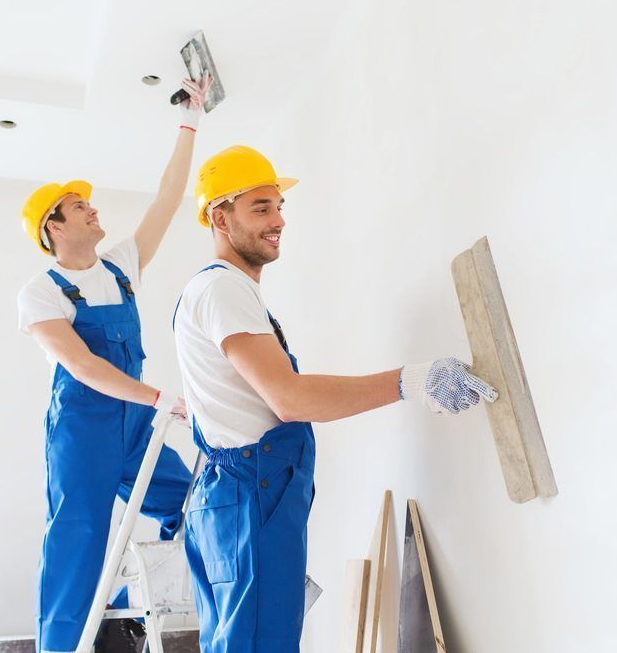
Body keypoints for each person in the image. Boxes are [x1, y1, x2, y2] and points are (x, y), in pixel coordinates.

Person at [172, 145, 498, 651]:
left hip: (236, 497)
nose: (278, 220)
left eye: (279, 207)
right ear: (219, 216)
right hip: (248, 498)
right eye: (261, 208)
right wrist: (411, 380)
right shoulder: (222, 291)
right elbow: (289, 399)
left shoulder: (222, 293)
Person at [17, 75, 212, 653]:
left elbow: (168, 199)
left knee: (195, 500)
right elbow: (79, 365)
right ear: (54, 226)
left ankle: (161, 613)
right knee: (77, 547)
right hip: (82, 432)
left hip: (131, 429)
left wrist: (190, 121)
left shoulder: (121, 266)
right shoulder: (41, 292)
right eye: (79, 206)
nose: (92, 208)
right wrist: (156, 398)